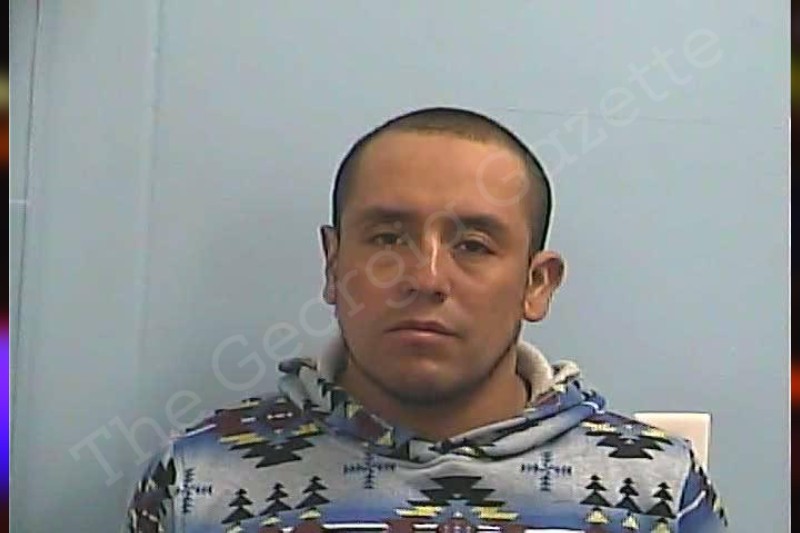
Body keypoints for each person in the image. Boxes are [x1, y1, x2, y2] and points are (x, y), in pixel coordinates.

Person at [125, 107, 728, 532]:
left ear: (536, 284)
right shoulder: (200, 477)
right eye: (388, 238)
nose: (426, 278)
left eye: (473, 245)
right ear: (334, 265)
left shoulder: (656, 488)